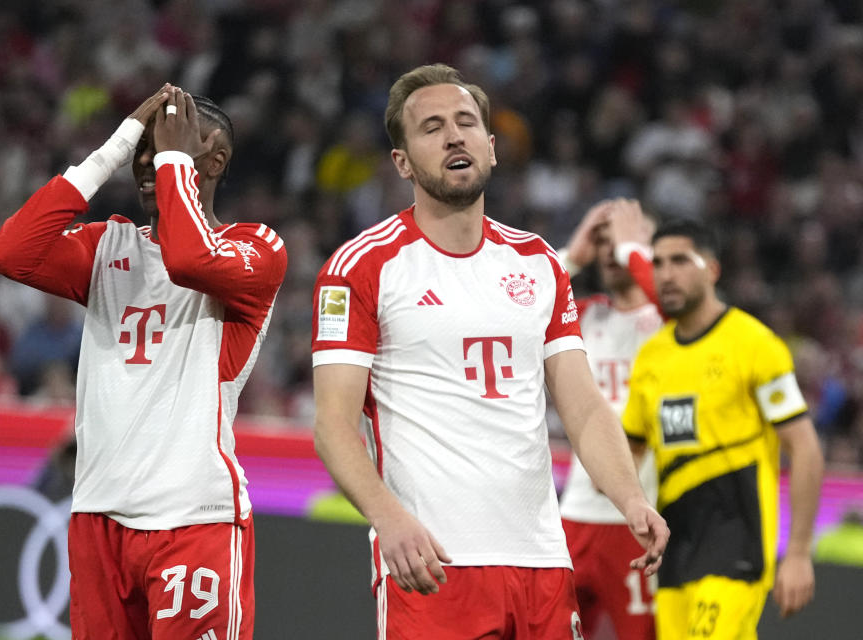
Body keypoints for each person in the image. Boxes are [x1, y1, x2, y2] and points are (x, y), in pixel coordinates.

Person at [311, 63, 668, 639]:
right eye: (430, 128)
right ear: (402, 162)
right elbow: (332, 424)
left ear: (492, 146)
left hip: (543, 563)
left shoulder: (540, 263)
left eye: (465, 122)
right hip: (432, 565)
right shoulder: (364, 266)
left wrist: (630, 499)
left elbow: (583, 408)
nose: (454, 136)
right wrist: (389, 521)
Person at [0, 84, 287, 639]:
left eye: (167, 146)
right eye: (143, 153)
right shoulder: (108, 247)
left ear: (215, 157)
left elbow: (188, 257)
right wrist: (115, 146)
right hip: (99, 515)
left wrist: (174, 157)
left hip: (195, 518)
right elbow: (10, 252)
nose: (148, 164)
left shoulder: (257, 247)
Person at [622, 218, 824, 639]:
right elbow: (630, 449)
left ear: (712, 269)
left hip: (737, 546)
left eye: (680, 260)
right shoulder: (651, 358)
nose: (666, 274)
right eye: (658, 263)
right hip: (674, 554)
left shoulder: (755, 345)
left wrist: (800, 551)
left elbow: (804, 447)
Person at [558, 198, 662, 640]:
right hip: (575, 515)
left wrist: (633, 250)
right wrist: (570, 255)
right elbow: (518, 310)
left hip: (638, 520)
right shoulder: (582, 316)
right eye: (602, 241)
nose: (609, 250)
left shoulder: (669, 321)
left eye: (619, 240)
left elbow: (691, 312)